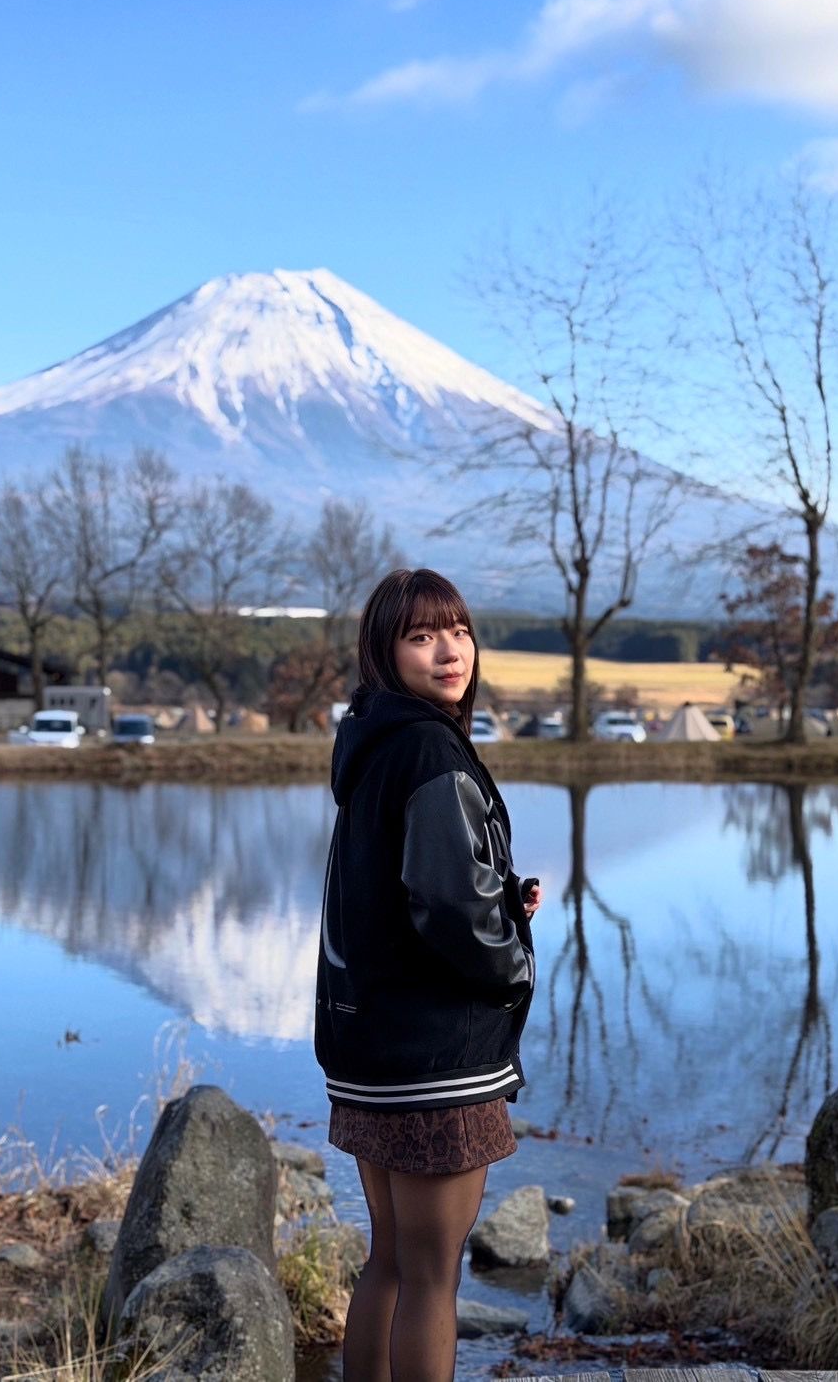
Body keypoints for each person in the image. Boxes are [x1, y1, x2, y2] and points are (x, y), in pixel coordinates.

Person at [314, 567, 542, 1382]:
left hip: (371, 1045)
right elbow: (448, 906)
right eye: (421, 636)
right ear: (386, 651)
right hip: (435, 1056)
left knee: (391, 1258)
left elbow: (404, 888)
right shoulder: (428, 748)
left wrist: (502, 898)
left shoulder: (371, 741)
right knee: (434, 1276)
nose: (449, 650)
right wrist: (513, 960)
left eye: (458, 630)